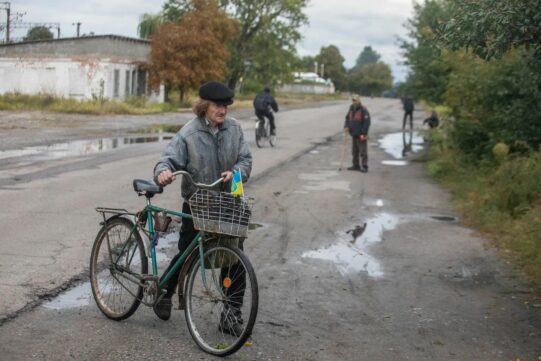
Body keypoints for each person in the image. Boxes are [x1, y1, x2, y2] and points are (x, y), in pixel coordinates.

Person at [152, 81, 252, 336]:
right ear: (204, 106)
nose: (223, 110)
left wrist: (236, 172)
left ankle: (231, 314)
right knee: (187, 254)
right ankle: (164, 293)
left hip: (228, 204)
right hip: (197, 205)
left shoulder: (235, 129)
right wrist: (163, 173)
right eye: (218, 105)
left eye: (226, 106)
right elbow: (168, 159)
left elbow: (245, 159)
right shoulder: (188, 133)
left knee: (235, 258)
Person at [343, 95, 371, 172]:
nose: (354, 102)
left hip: (361, 134)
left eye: (355, 100)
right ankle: (356, 165)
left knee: (363, 151)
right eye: (353, 100)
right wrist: (346, 126)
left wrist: (363, 133)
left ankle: (364, 166)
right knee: (354, 151)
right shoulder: (351, 109)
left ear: (359, 101)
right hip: (353, 133)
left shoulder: (363, 110)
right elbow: (347, 119)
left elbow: (367, 123)